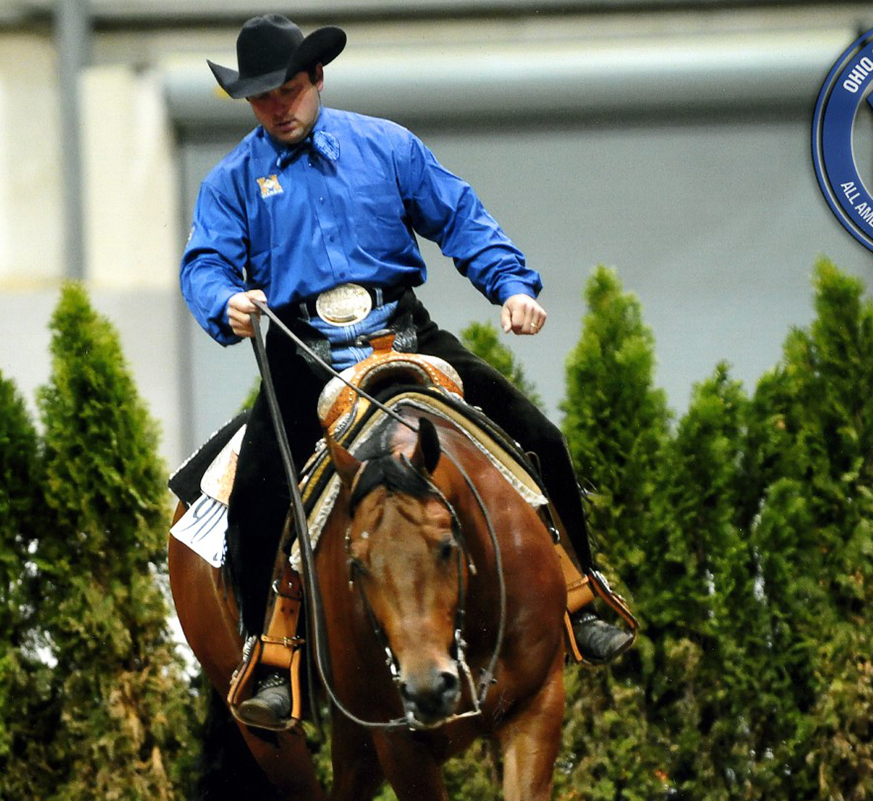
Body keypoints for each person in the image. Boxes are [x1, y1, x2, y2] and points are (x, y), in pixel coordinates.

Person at [181, 14, 631, 729]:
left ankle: (581, 596)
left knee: (539, 435)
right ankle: (268, 651)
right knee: (259, 491)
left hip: (407, 333)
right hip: (305, 354)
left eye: (290, 90)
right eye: (262, 98)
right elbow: (204, 262)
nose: (278, 107)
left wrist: (511, 285)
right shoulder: (232, 181)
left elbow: (459, 216)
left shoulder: (387, 146)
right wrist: (224, 300)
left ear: (317, 78)